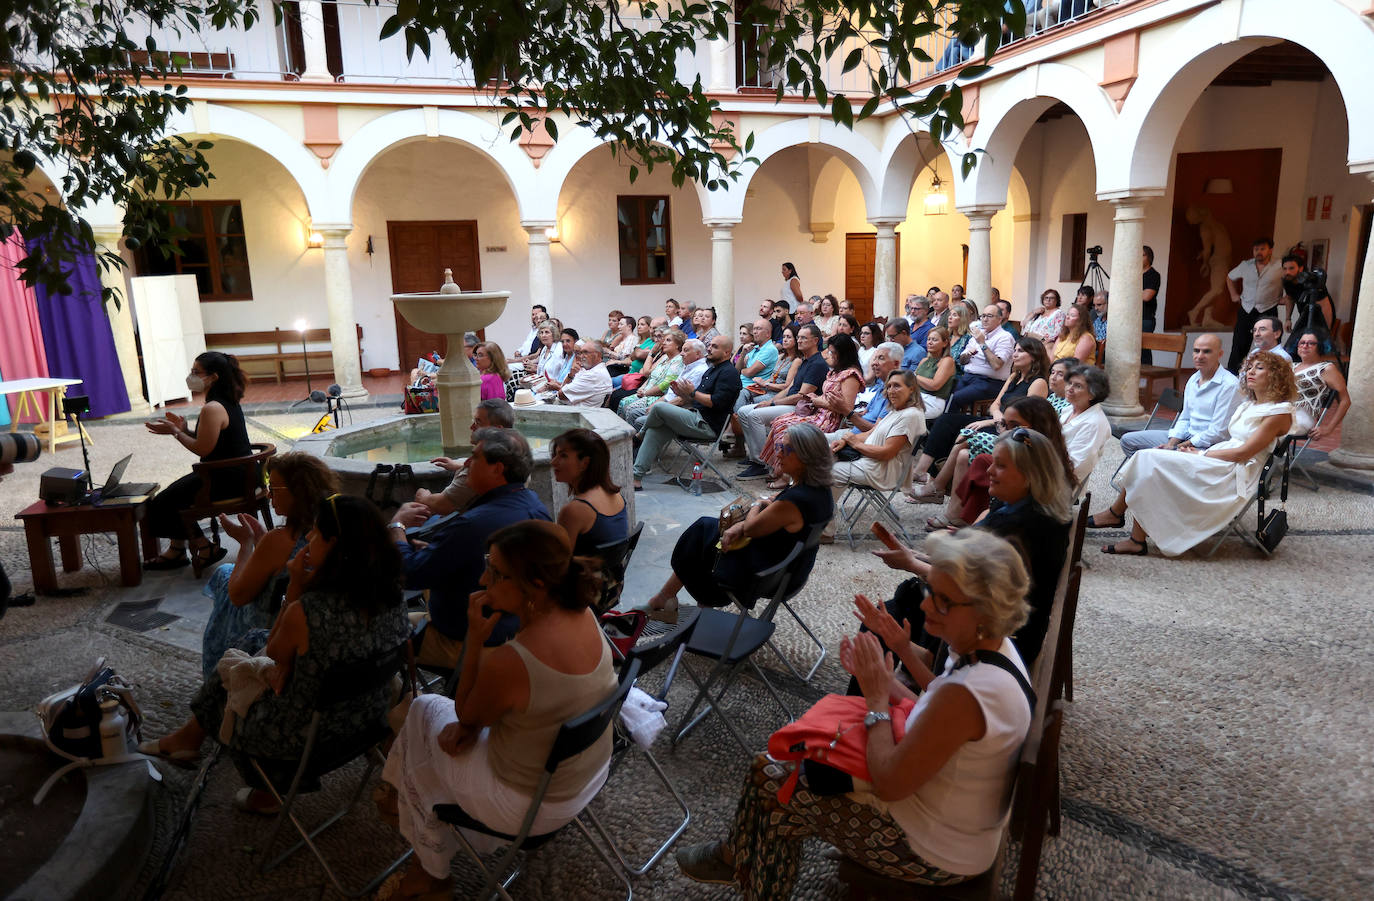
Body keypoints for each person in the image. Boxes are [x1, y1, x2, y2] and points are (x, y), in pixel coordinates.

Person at [676, 529, 1034, 896]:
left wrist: (878, 699)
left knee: (770, 782)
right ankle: (735, 857)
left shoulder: (968, 695)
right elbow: (938, 694)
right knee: (773, 769)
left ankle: (745, 869)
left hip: (933, 852)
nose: (926, 605)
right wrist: (878, 673)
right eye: (930, 590)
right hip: (953, 823)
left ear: (983, 611)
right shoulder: (993, 646)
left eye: (942, 600)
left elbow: (890, 784)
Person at [379, 521, 617, 900]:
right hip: (583, 779)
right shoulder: (583, 613)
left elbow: (465, 711)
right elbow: (490, 713)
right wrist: (472, 724)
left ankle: (430, 872)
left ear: (536, 585)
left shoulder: (513, 661)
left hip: (527, 807)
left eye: (496, 571)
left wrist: (475, 638)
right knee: (438, 733)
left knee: (423, 711)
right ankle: (406, 801)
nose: (482, 577)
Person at [140, 495, 411, 813]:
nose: (308, 538)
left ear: (334, 543)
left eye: (315, 533)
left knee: (236, 671)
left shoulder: (310, 611)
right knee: (252, 641)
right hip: (367, 720)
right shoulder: (393, 594)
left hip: (304, 740)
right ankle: (189, 739)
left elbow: (273, 653)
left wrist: (296, 583)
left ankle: (266, 789)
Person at [875, 426, 1072, 666]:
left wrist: (911, 563)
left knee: (881, 622)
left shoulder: (1017, 525)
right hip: (1011, 624)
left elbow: (968, 586)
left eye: (1000, 465)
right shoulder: (1037, 509)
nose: (988, 470)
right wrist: (915, 555)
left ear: (1029, 475)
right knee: (895, 610)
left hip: (999, 634)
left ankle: (875, 697)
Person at [1099, 351, 1296, 556]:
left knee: (1149, 460)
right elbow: (1232, 444)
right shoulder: (1251, 404)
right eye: (1250, 367)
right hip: (1221, 458)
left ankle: (1121, 521)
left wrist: (1201, 455)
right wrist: (1196, 451)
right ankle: (1130, 531)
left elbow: (1243, 453)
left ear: (1276, 376)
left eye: (1260, 368)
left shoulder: (1279, 412)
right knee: (1146, 457)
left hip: (1236, 473)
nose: (1251, 372)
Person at [390, 429, 551, 667]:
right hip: (518, 628)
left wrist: (397, 525)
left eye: (474, 457)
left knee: (381, 632)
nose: (465, 463)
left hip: (468, 639)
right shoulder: (535, 506)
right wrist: (441, 551)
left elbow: (408, 574)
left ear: (497, 469)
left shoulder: (472, 523)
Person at [647, 423, 834, 621]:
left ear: (805, 457)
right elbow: (774, 502)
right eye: (779, 446)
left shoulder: (795, 501)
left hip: (766, 575)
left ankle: (683, 602)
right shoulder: (819, 490)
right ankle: (676, 600)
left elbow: (753, 527)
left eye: (784, 449)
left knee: (703, 537)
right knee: (707, 533)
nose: (778, 454)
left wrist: (756, 504)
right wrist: (758, 510)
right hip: (790, 569)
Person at [200, 452, 337, 682]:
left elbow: (238, 596)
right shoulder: (329, 528)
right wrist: (262, 541)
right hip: (309, 617)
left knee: (223, 577)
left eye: (273, 489)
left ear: (297, 494)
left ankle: (218, 670)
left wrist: (245, 545)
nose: (268, 494)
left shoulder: (282, 539)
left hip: (272, 626)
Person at [143, 352, 253, 571]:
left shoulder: (213, 408)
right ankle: (177, 550)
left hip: (226, 478)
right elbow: (211, 441)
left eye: (196, 372)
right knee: (174, 493)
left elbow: (202, 448)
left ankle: (204, 547)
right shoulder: (225, 401)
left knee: (160, 504)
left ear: (213, 377)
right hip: (235, 472)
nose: (191, 376)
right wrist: (185, 430)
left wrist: (175, 432)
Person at [907, 337, 1050, 500]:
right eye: (1015, 350)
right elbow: (995, 404)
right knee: (946, 420)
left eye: (1020, 351)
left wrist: (990, 421)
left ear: (1034, 356)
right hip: (997, 422)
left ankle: (937, 486)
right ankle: (921, 472)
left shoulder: (1038, 383)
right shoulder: (1014, 377)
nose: (1015, 354)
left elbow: (1026, 417)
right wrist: (996, 418)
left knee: (966, 433)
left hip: (1011, 431)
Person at [753, 334, 864, 490]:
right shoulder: (836, 371)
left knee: (787, 430)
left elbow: (846, 407)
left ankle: (787, 474)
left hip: (831, 421)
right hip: (819, 413)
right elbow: (828, 395)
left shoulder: (850, 375)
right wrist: (816, 398)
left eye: (832, 352)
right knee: (778, 422)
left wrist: (820, 402)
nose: (829, 355)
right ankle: (780, 468)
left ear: (842, 353)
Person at [824, 371, 926, 539]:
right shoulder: (896, 411)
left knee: (827, 472)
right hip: (870, 463)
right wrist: (845, 440)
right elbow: (870, 434)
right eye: (889, 386)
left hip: (881, 470)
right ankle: (811, 514)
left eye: (897, 386)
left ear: (912, 389)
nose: (891, 390)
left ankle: (824, 530)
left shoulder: (910, 415)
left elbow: (887, 453)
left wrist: (855, 443)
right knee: (823, 456)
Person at [631, 335, 741, 490]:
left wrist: (692, 393)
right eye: (710, 345)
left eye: (715, 347)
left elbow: (715, 402)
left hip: (706, 425)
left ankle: (638, 436)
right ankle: (636, 478)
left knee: (659, 408)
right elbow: (695, 400)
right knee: (656, 430)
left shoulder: (729, 373)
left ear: (727, 352)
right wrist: (682, 393)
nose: (709, 348)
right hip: (694, 416)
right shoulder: (713, 370)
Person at [736, 324, 829, 479]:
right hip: (788, 402)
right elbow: (789, 388)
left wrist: (772, 404)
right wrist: (771, 400)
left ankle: (762, 464)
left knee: (755, 416)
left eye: (803, 338)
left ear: (815, 341)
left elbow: (801, 396)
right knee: (743, 411)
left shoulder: (817, 363)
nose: (799, 340)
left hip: (800, 408)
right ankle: (755, 457)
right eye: (798, 337)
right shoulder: (805, 360)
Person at [414, 399, 515, 516]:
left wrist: (423, 497)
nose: (472, 427)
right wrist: (459, 465)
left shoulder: (475, 473)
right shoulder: (517, 457)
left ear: (497, 429)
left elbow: (443, 505)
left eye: (478, 422)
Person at [550, 429, 628, 555]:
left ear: (584, 463)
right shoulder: (616, 496)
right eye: (555, 454)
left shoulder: (574, 511)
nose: (553, 462)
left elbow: (559, 565)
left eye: (563, 455)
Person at [1225, 238, 1284, 373]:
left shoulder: (1279, 266)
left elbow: (1290, 281)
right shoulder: (1245, 265)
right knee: (1239, 345)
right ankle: (1234, 376)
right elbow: (1230, 277)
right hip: (1246, 309)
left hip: (1268, 310)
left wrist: (1284, 299)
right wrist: (1234, 295)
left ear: (1270, 250)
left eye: (1262, 249)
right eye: (1256, 249)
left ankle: (1270, 375)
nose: (1259, 252)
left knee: (1270, 345)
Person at [948, 305, 1016, 411]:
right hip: (968, 377)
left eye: (989, 316)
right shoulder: (979, 334)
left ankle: (950, 424)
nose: (985, 319)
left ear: (999, 319)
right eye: (983, 316)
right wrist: (968, 355)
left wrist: (982, 343)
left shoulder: (1005, 337)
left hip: (989, 382)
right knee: (945, 392)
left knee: (956, 398)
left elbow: (997, 365)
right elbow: (962, 361)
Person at [1058, 364, 1113, 485]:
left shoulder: (1093, 424)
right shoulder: (1069, 409)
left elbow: (1076, 467)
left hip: (1060, 482)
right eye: (1069, 383)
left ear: (1092, 394)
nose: (1069, 389)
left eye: (1078, 386)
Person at [615, 328, 686, 422]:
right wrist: (642, 389)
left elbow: (666, 385)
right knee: (623, 401)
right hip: (647, 392)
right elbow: (650, 375)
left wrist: (645, 393)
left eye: (668, 340)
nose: (663, 343)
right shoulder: (665, 357)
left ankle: (631, 434)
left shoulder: (678, 361)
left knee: (629, 407)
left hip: (658, 396)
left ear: (678, 345)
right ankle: (621, 432)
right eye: (664, 340)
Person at [1292, 330, 1350, 439]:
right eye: (1302, 342)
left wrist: (1328, 429)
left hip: (1301, 417)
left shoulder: (1326, 369)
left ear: (1321, 347)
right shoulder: (1291, 366)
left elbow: (1345, 401)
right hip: (1280, 412)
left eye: (1311, 343)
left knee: (1264, 428)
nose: (1305, 346)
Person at [1280, 253, 1336, 358]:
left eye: (1291, 268)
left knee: (1312, 351)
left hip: (1319, 320)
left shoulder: (1312, 282)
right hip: (1305, 317)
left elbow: (1325, 307)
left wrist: (1327, 331)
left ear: (1300, 268)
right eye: (1285, 268)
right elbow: (1290, 298)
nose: (1287, 272)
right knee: (1293, 349)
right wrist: (1288, 319)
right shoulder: (1287, 281)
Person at [553, 341, 612, 407]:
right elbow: (562, 392)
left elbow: (561, 395)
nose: (581, 356)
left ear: (598, 355)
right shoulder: (586, 369)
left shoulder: (595, 375)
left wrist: (557, 387)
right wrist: (571, 376)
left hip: (576, 414)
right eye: (580, 353)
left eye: (585, 352)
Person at [914, 327, 956, 419]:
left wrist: (914, 377)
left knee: (903, 412)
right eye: (928, 339)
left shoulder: (947, 361)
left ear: (945, 343)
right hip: (917, 397)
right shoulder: (924, 360)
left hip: (933, 401)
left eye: (934, 340)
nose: (930, 342)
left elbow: (934, 385)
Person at [736, 319, 781, 407]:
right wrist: (743, 353)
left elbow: (749, 373)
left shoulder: (770, 349)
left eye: (758, 329)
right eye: (754, 329)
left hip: (752, 389)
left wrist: (743, 370)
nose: (755, 332)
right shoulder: (754, 347)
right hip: (742, 385)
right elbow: (737, 369)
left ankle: (737, 419)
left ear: (768, 333)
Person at [1141, 245, 1161, 365]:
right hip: (1130, 317)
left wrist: (1130, 291)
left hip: (1145, 318)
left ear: (1149, 257)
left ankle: (1145, 378)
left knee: (1144, 349)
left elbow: (1146, 296)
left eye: (1142, 255)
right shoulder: (1132, 274)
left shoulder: (1153, 275)